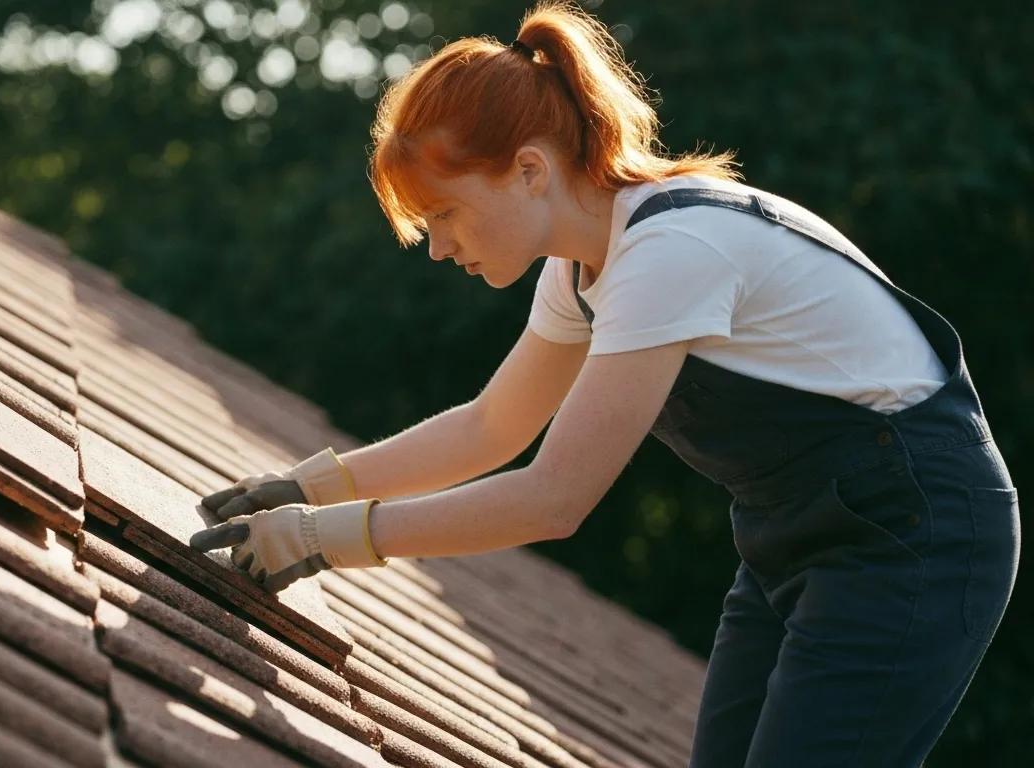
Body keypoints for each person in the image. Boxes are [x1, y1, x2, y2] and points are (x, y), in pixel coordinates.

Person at [188, 2, 1020, 765]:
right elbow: (492, 428)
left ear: (528, 171)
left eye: (444, 213)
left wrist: (322, 538)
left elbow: (554, 498)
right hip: (793, 535)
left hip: (915, 531)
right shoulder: (585, 267)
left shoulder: (672, 251)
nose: (438, 247)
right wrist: (307, 485)